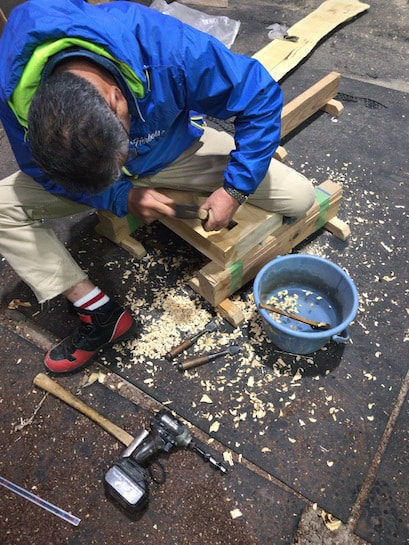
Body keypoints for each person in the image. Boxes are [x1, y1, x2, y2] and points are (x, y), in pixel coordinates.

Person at [0, 0, 315, 374]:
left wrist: (235, 190)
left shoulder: (167, 50)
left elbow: (259, 97)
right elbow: (39, 169)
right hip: (97, 179)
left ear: (117, 99)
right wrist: (119, 194)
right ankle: (99, 312)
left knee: (299, 197)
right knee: (3, 207)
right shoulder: (15, 89)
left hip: (173, 152)